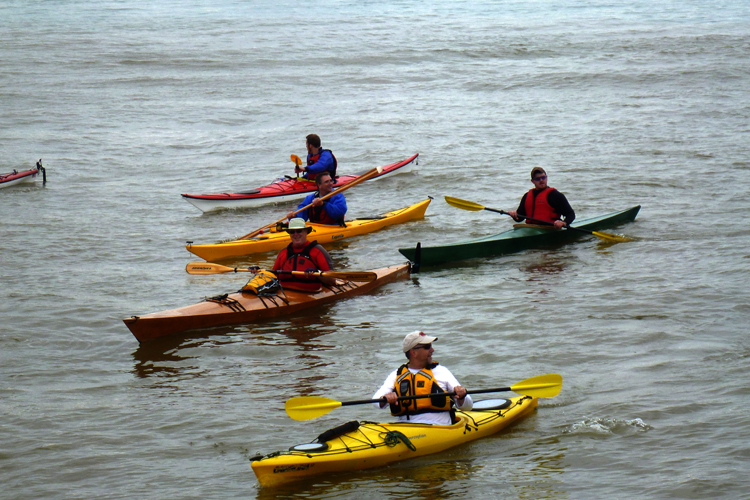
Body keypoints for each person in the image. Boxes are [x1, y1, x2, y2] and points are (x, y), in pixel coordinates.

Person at [372, 331, 473, 425]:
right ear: (413, 352)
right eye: (427, 347)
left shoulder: (442, 371)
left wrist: (462, 396)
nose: (432, 350)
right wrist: (385, 398)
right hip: (407, 428)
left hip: (439, 428)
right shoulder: (397, 375)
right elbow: (375, 401)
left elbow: (468, 406)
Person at [272, 218, 336, 292]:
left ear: (306, 232)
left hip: (311, 292)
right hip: (283, 292)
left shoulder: (318, 251)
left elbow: (332, 280)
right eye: (292, 232)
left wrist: (317, 272)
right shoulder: (283, 252)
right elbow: (272, 276)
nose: (296, 234)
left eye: (299, 231)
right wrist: (259, 272)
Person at [507, 167, 575, 229]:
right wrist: (514, 215)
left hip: (550, 229)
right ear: (532, 181)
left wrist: (563, 222)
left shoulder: (556, 195)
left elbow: (571, 214)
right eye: (538, 179)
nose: (541, 180)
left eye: (543, 177)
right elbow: (520, 218)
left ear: (546, 177)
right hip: (530, 228)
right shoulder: (526, 196)